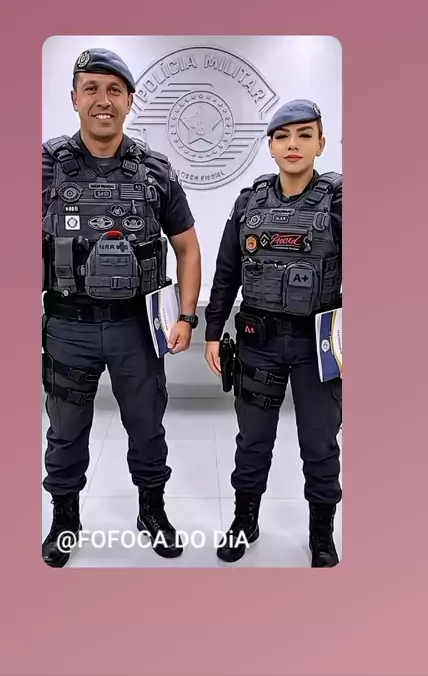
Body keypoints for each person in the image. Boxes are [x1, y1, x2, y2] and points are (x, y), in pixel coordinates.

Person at [42, 47, 201, 567]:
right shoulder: (44, 167)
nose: (103, 100)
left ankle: (151, 512)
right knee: (66, 432)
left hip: (138, 327)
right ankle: (65, 519)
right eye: (91, 88)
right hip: (68, 326)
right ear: (74, 98)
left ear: (131, 100)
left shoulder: (155, 170)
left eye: (114, 90)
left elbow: (187, 247)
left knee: (147, 427)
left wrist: (186, 316)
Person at [204, 99, 342, 566]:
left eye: (305, 135)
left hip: (318, 344)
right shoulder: (249, 202)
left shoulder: (340, 201)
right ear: (270, 146)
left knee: (319, 442)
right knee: (253, 438)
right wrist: (213, 330)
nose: (293, 144)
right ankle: (244, 520)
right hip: (258, 340)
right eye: (282, 136)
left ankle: (321, 535)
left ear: (321, 143)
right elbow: (227, 271)